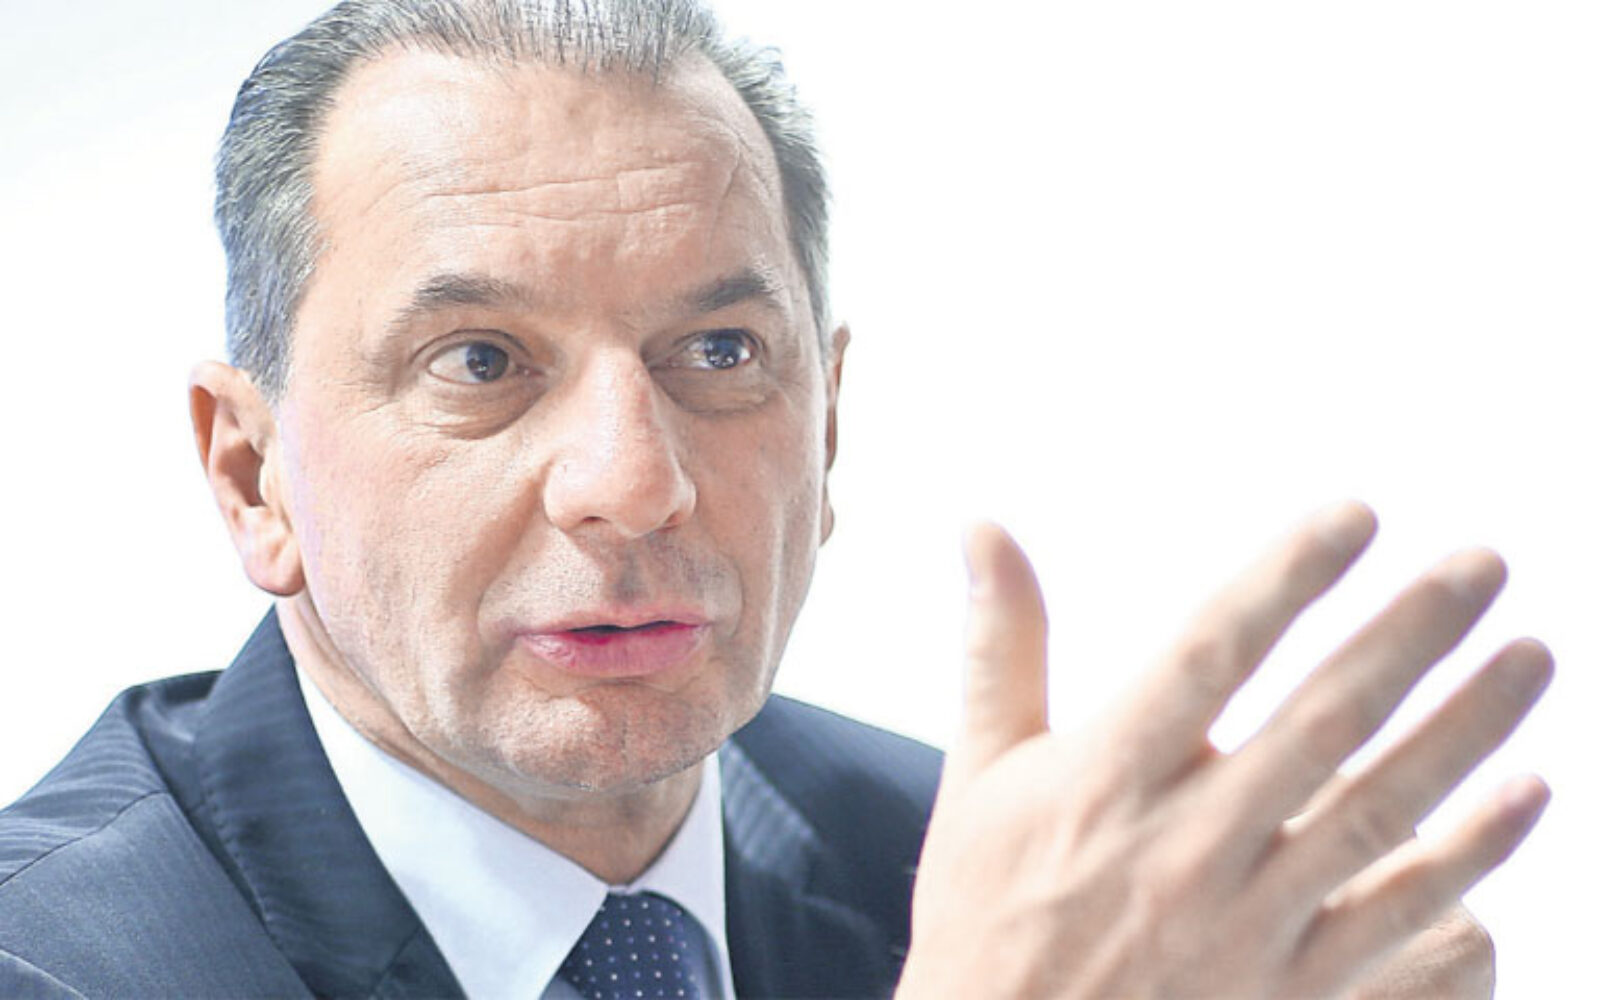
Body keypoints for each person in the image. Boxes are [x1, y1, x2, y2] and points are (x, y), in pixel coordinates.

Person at [0, 1, 1549, 997]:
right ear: (250, 473)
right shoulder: (50, 958)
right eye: (481, 361)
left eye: (721, 352)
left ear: (829, 425)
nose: (634, 483)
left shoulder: (986, 875)